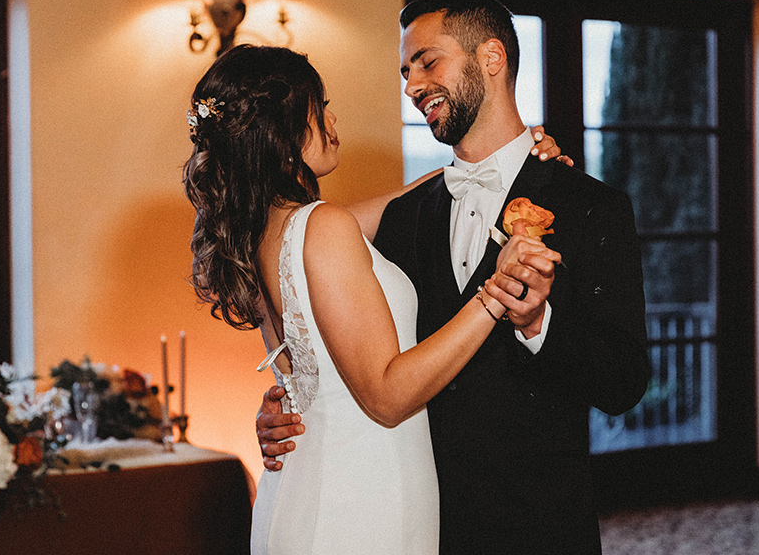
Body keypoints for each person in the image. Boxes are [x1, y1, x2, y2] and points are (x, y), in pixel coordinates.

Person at [257, 0, 651, 555]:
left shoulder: (591, 208)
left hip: (538, 528)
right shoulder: (399, 220)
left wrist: (540, 323)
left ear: (492, 58)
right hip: (417, 522)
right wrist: (287, 403)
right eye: (404, 70)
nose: (412, 85)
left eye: (427, 61)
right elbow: (324, 321)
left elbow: (623, 382)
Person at [182, 44, 564, 555]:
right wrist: (494, 294)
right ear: (284, 128)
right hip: (359, 504)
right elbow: (387, 397)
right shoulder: (323, 227)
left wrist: (508, 164)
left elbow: (408, 199)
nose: (332, 118)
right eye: (319, 105)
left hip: (302, 491)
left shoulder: (265, 234)